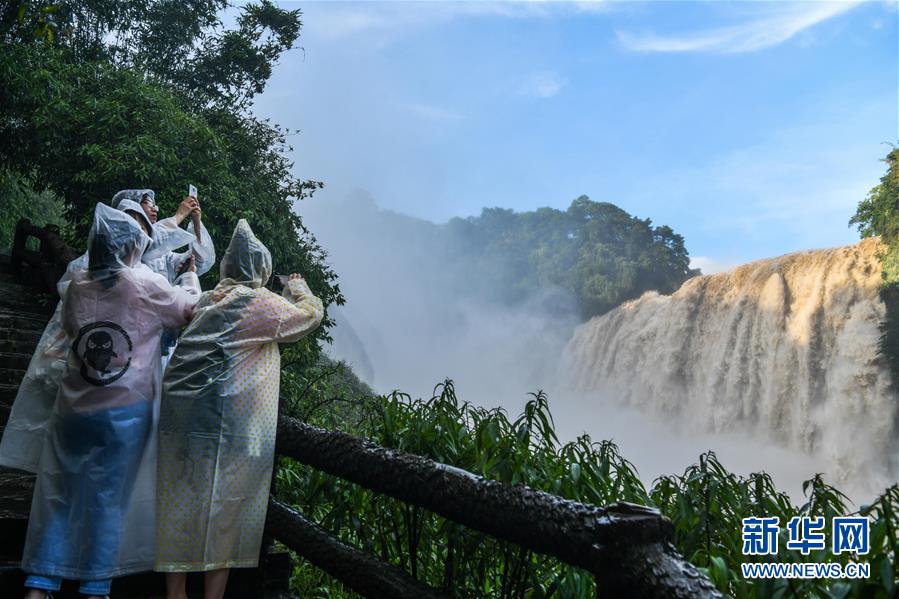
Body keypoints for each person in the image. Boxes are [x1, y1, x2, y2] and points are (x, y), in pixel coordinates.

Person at [20, 203, 201, 599]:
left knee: (60, 493)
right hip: (126, 411)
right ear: (132, 245)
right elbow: (188, 311)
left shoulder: (78, 283)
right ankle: (95, 585)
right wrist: (189, 278)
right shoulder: (146, 284)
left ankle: (41, 584)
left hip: (74, 403)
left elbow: (71, 327)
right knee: (109, 498)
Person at [155, 220, 323, 599]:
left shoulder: (210, 298)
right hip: (226, 424)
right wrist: (297, 287)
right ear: (261, 268)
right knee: (226, 511)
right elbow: (309, 315)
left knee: (180, 502)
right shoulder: (258, 301)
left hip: (180, 415)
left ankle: (175, 593)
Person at [0, 189, 214, 473]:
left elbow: (198, 257)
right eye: (146, 207)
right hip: (123, 379)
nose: (153, 212)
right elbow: (185, 303)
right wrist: (186, 265)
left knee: (74, 463)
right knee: (111, 467)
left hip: (102, 374)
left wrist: (194, 222)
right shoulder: (140, 275)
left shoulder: (86, 277)